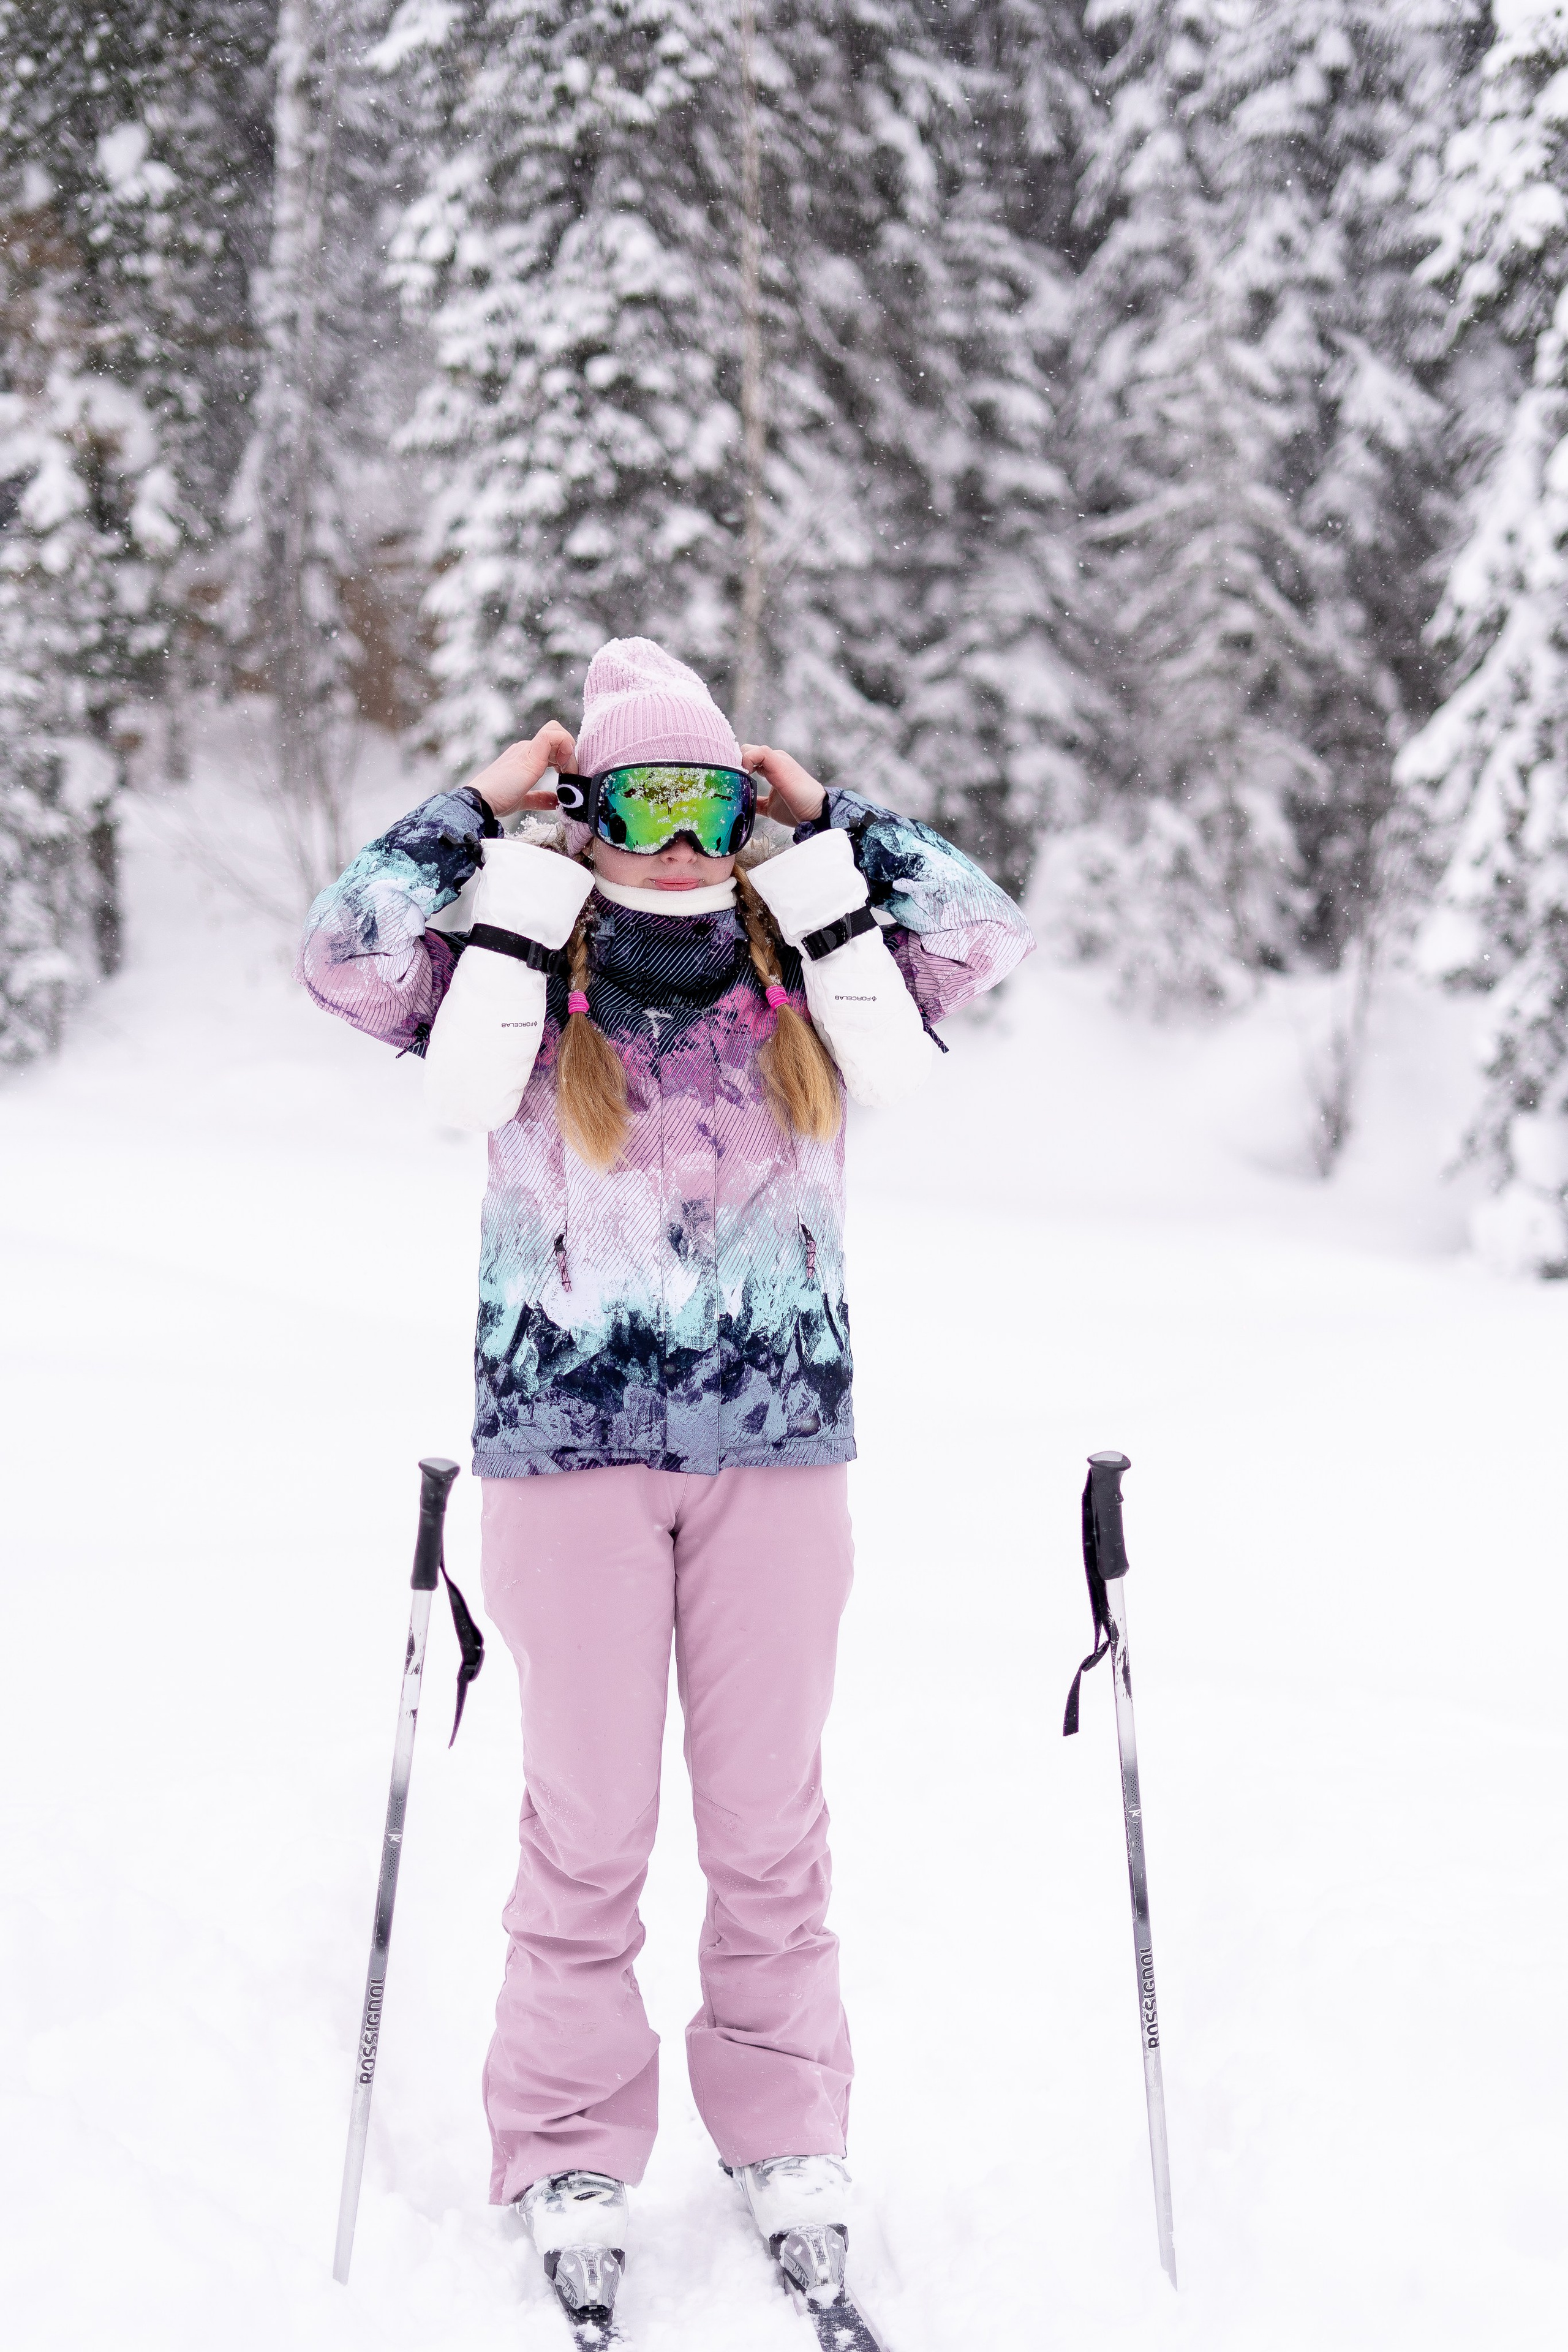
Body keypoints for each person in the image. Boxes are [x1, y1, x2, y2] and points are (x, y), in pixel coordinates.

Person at [298, 638, 1033, 2323]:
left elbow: (986, 934)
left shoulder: (806, 961)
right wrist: (475, 807)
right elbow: (342, 953)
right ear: (594, 806)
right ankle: (568, 2138)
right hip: (565, 1457)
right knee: (589, 1827)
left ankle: (786, 2131)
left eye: (711, 798)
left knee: (772, 1828)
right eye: (646, 797)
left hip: (778, 1453)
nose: (684, 835)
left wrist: (830, 813)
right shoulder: (514, 970)